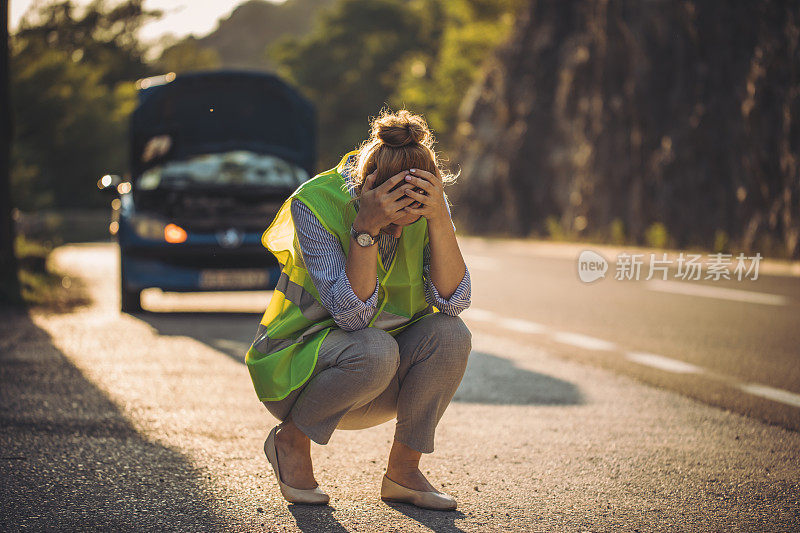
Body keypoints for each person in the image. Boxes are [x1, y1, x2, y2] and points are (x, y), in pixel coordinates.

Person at [245, 109, 472, 510]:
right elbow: (353, 317)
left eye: (413, 217)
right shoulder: (316, 203)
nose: (402, 231)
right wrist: (366, 230)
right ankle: (291, 440)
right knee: (375, 348)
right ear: (368, 191)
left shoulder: (428, 198)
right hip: (299, 372)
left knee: (452, 334)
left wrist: (439, 220)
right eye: (394, 219)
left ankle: (404, 472)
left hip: (374, 375)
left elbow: (454, 300)